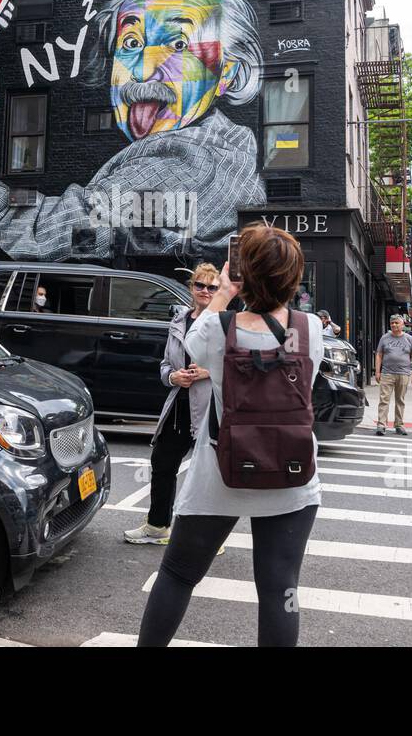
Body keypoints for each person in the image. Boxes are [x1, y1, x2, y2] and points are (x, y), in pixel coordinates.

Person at [0, 0, 269, 261]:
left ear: (228, 73)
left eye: (177, 44)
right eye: (130, 42)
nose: (142, 70)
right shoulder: (222, 155)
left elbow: (26, 236)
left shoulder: (191, 163)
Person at [137, 224, 322, 647]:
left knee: (178, 574)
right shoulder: (309, 329)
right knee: (280, 589)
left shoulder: (216, 330)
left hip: (221, 473)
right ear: (293, 278)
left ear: (243, 274)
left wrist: (224, 289)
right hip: (292, 475)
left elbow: (195, 339)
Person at [124, 264, 217, 546]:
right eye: (200, 285)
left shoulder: (224, 322)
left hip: (211, 407)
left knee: (209, 474)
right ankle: (157, 525)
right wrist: (173, 376)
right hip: (179, 405)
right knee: (162, 463)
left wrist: (208, 372)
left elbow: (238, 365)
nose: (205, 291)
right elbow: (165, 365)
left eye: (212, 287)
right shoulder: (179, 321)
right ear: (192, 288)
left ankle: (209, 535)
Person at [374, 314, 412, 436]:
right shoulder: (384, 338)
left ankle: (399, 425)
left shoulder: (409, 339)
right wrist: (377, 371)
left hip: (403, 374)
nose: (394, 325)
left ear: (402, 324)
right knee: (384, 400)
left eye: (396, 323)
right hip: (387, 373)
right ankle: (381, 425)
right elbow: (379, 355)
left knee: (400, 400)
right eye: (392, 323)